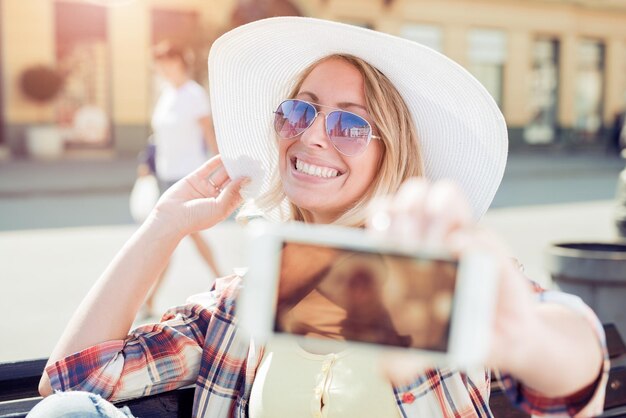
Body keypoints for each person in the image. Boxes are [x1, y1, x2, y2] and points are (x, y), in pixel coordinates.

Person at [34, 17, 607, 418]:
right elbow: (73, 383)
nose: (310, 135)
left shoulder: (441, 280)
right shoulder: (244, 301)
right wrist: (163, 225)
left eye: (350, 124)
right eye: (298, 110)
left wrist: (524, 335)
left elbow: (575, 381)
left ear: (392, 152)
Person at [138, 41, 222, 317]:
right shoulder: (166, 94)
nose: (161, 68)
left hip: (187, 176)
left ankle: (150, 299)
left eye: (166, 61)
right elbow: (158, 136)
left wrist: (223, 167)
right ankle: (225, 285)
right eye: (158, 63)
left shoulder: (193, 94)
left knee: (169, 237)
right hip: (165, 174)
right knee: (179, 237)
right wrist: (145, 163)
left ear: (178, 61)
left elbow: (208, 134)